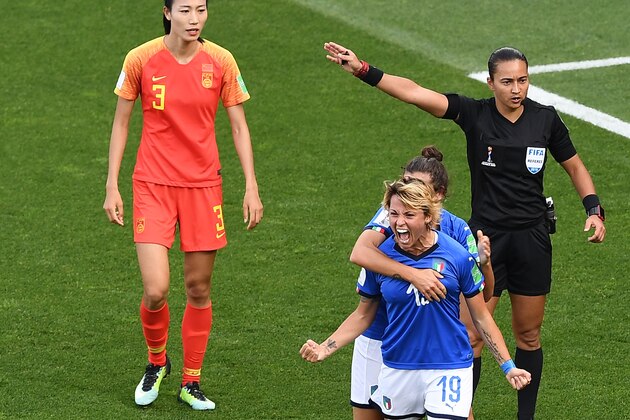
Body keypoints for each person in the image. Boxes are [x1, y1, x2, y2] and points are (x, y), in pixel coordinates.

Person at [323, 42, 606, 419]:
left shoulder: (546, 119)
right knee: (472, 333)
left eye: (523, 80)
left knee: (529, 334)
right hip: (484, 239)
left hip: (532, 239)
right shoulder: (475, 114)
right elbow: (415, 93)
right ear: (490, 82)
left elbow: (574, 165)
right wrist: (364, 70)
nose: (517, 89)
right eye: (507, 82)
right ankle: (459, 411)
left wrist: (594, 209)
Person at [103, 0, 263, 410]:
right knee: (156, 289)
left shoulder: (221, 61)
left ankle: (191, 380)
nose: (195, 19)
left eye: (201, 10)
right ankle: (157, 362)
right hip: (152, 184)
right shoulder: (140, 58)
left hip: (203, 188)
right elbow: (121, 122)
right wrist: (112, 184)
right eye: (186, 10)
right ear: (167, 12)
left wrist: (251, 186)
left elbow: (239, 126)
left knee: (198, 287)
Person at [301, 179, 531, 420]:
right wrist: (324, 348)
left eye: (409, 215)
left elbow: (481, 316)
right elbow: (363, 314)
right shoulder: (379, 260)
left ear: (428, 218)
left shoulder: (457, 256)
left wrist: (508, 366)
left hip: (449, 366)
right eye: (393, 214)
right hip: (398, 367)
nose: (399, 223)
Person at [347, 146, 495, 420]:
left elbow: (480, 298)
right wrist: (414, 275)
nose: (407, 192)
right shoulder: (391, 216)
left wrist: (485, 265)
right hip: (380, 337)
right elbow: (359, 253)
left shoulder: (457, 230)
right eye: (405, 183)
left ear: (437, 196)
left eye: (417, 186)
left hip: (430, 351)